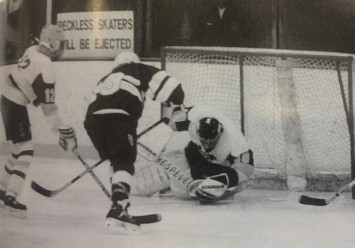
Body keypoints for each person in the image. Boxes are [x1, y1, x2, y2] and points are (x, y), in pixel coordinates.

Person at [83, 51, 185, 232]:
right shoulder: (138, 69)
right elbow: (174, 89)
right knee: (124, 162)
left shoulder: (106, 78)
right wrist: (176, 106)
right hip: (119, 118)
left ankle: (118, 204)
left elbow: (95, 104)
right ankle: (119, 208)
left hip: (92, 122)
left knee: (116, 161)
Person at [0, 25, 77, 217]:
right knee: (26, 150)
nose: (62, 48)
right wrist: (61, 129)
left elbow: (33, 92)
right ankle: (10, 198)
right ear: (52, 43)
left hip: (6, 98)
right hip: (14, 103)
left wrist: (58, 129)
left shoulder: (31, 50)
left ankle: (2, 190)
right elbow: (48, 107)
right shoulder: (46, 65)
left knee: (18, 149)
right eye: (61, 43)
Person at [192, 0, 257, 47]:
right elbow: (198, 36)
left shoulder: (240, 13)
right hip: (209, 58)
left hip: (233, 59)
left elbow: (248, 37)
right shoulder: (206, 13)